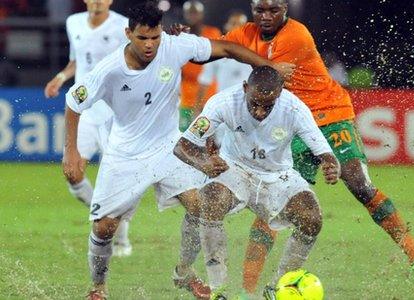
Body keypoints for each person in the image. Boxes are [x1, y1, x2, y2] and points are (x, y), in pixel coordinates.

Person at [62, 2, 294, 299]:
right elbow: (73, 102)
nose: (150, 45)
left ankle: (184, 271)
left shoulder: (175, 46)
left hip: (170, 147)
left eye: (155, 37)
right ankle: (98, 287)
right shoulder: (109, 70)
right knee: (105, 227)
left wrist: (268, 66)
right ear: (128, 33)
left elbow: (225, 48)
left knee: (203, 206)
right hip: (125, 155)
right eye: (142, 38)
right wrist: (70, 152)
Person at [221, 0, 414, 294]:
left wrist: (231, 49)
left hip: (330, 113)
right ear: (252, 7)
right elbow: (212, 49)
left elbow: (269, 73)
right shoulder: (248, 33)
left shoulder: (296, 35)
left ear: (285, 8)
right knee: (274, 202)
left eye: (273, 9)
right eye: (260, 10)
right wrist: (179, 41)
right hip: (293, 125)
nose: (266, 16)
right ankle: (251, 291)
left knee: (359, 184)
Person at [173, 66, 340, 299]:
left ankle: (277, 288)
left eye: (268, 106)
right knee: (210, 200)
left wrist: (331, 166)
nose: (260, 112)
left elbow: (324, 152)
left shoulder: (295, 108)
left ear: (279, 93)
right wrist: (204, 163)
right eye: (255, 104)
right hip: (234, 169)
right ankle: (218, 289)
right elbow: (182, 146)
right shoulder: (223, 102)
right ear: (245, 88)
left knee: (311, 218)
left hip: (277, 175)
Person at [43, 0, 132, 257]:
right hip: (85, 112)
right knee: (72, 172)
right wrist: (60, 77)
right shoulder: (73, 23)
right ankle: (107, 216)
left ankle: (121, 236)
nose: (97, 1)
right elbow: (76, 60)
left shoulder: (123, 25)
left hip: (116, 111)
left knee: (116, 179)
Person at [194, 10, 252, 116]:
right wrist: (197, 110)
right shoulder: (217, 51)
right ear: (226, 26)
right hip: (223, 109)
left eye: (241, 24)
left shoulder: (255, 52)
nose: (237, 27)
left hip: (248, 110)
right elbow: (204, 81)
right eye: (234, 23)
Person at [179, 0, 222, 131]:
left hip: (207, 94)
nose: (192, 16)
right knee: (184, 133)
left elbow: (217, 63)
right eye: (189, 12)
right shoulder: (181, 35)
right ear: (184, 14)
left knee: (204, 134)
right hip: (187, 95)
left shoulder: (213, 33)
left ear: (201, 14)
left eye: (195, 13)